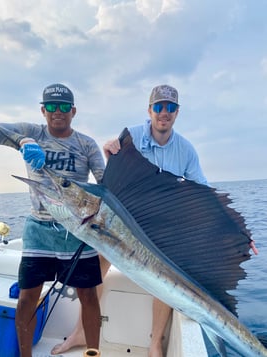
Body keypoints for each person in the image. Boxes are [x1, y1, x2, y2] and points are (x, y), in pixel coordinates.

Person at [52, 84, 208, 357]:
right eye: (159, 107)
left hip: (159, 227)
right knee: (96, 261)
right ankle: (80, 332)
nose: (164, 113)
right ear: (150, 110)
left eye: (170, 108)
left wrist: (236, 236)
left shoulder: (186, 149)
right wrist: (109, 150)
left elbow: (203, 192)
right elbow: (113, 172)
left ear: (177, 112)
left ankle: (155, 343)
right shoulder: (131, 137)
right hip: (124, 220)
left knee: (164, 273)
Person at [0, 83, 106, 357]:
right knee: (26, 299)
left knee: (89, 296)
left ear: (74, 111)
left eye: (63, 107)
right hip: (39, 229)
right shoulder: (32, 132)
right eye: (50, 106)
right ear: (43, 110)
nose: (57, 112)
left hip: (77, 230)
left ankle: (93, 353)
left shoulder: (86, 144)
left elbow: (105, 185)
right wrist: (22, 141)